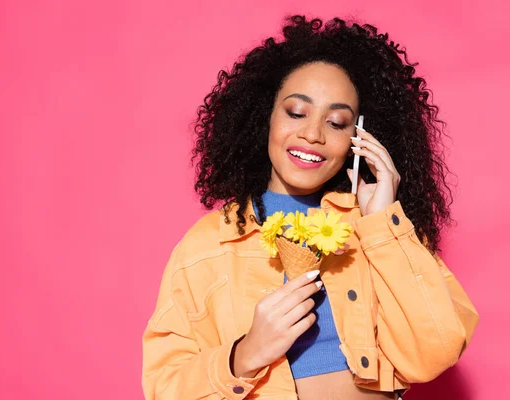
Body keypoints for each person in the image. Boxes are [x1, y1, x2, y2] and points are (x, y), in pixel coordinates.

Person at [142, 15, 479, 400]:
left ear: (358, 137)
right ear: (263, 116)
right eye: (296, 112)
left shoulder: (376, 225)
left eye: (336, 122)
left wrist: (383, 223)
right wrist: (243, 356)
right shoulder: (207, 246)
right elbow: (164, 387)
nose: (313, 134)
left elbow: (436, 352)